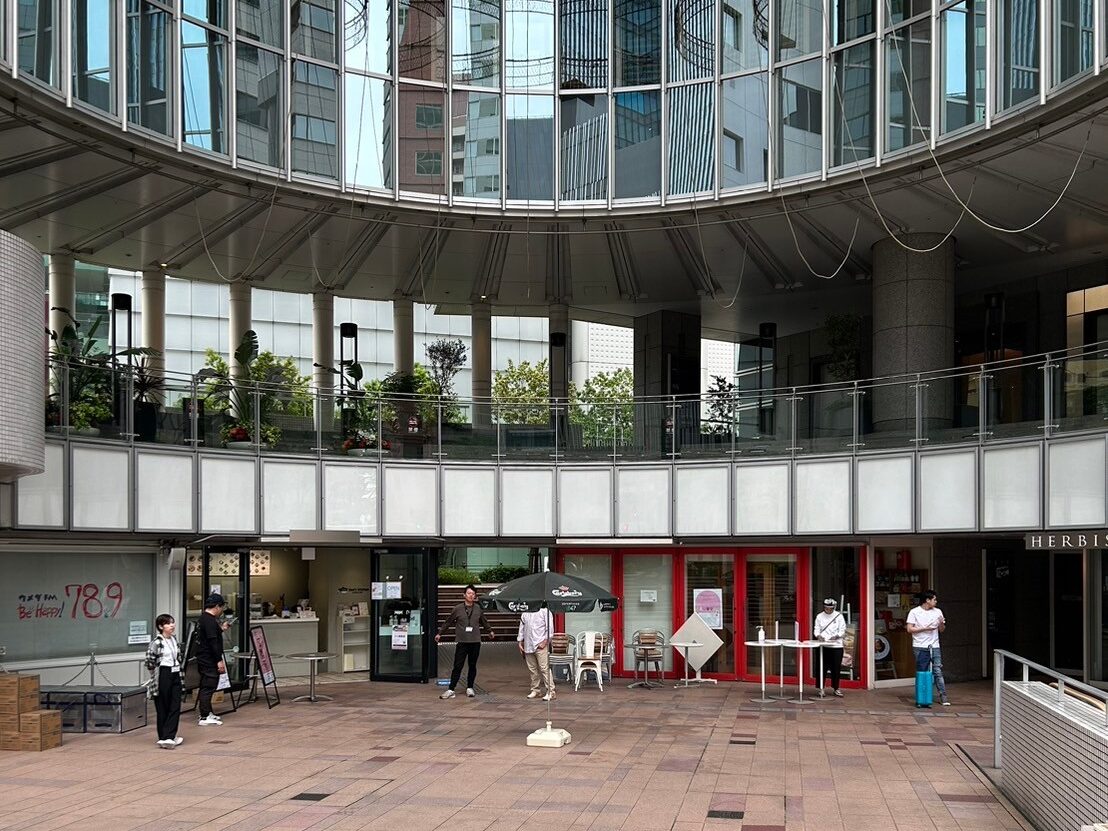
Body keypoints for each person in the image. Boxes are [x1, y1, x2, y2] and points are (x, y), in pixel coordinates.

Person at [435, 584, 495, 699]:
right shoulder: (457, 609)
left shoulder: (478, 608)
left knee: (472, 665)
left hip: (475, 641)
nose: (471, 595)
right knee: (458, 665)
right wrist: (440, 633)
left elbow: (484, 621)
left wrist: (490, 631)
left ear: (475, 596)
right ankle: (451, 689)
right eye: (469, 593)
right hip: (462, 641)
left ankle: (470, 687)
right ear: (464, 595)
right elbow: (448, 622)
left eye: (473, 594)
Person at [144, 613, 183, 748]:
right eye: (168, 623)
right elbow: (149, 661)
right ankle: (164, 736)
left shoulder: (174, 640)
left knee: (175, 705)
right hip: (163, 673)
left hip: (176, 672)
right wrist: (154, 674)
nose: (172, 625)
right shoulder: (156, 642)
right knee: (162, 705)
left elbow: (179, 656)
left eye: (172, 622)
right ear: (161, 627)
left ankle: (170, 735)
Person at [906, 590, 949, 706]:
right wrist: (925, 628)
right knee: (922, 671)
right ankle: (922, 697)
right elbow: (909, 629)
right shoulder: (914, 612)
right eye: (934, 599)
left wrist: (941, 623)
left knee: (937, 670)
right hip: (920, 646)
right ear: (927, 600)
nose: (936, 601)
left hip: (934, 645)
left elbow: (942, 630)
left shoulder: (938, 612)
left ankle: (943, 696)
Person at [196, 593, 230, 725]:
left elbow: (209, 636)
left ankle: (208, 712)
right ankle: (204, 716)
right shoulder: (210, 620)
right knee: (208, 686)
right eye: (221, 607)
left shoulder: (203, 618)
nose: (221, 610)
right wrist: (219, 660)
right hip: (208, 659)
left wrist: (221, 629)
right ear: (217, 606)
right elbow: (212, 642)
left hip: (203, 657)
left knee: (207, 685)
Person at [518, 604, 556, 701]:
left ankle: (551, 691)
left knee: (544, 668)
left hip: (540, 644)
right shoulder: (525, 612)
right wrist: (520, 641)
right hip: (528, 644)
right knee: (532, 669)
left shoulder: (545, 611)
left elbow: (550, 629)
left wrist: (545, 641)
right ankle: (535, 689)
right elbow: (522, 627)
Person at [813, 598, 845, 697]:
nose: (829, 610)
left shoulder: (839, 616)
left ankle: (836, 688)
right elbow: (816, 629)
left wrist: (837, 636)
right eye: (827, 608)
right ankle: (821, 688)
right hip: (823, 645)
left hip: (836, 645)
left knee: (836, 667)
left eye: (831, 608)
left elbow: (843, 630)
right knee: (821, 667)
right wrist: (818, 636)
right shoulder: (819, 616)